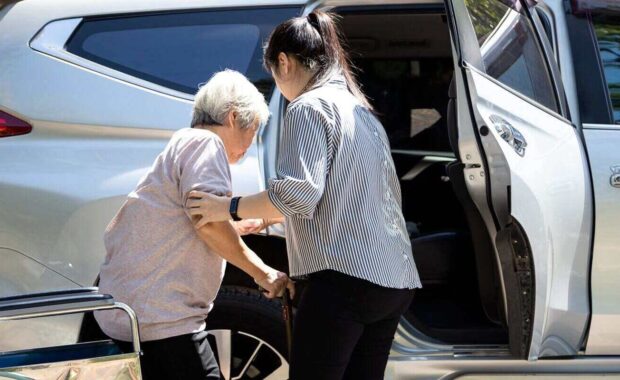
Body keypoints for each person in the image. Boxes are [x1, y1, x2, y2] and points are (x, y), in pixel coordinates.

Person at [185, 10, 421, 380]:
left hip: (345, 281)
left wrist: (226, 207)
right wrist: (263, 217)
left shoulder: (308, 107)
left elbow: (299, 193)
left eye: (274, 76)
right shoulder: (362, 111)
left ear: (284, 62)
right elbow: (341, 197)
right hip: (394, 280)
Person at [94, 70, 294, 380]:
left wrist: (241, 225)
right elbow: (208, 225)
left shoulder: (183, 142)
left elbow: (184, 221)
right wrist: (263, 273)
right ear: (232, 117)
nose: (247, 147)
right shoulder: (205, 143)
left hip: (135, 314)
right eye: (252, 131)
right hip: (163, 319)